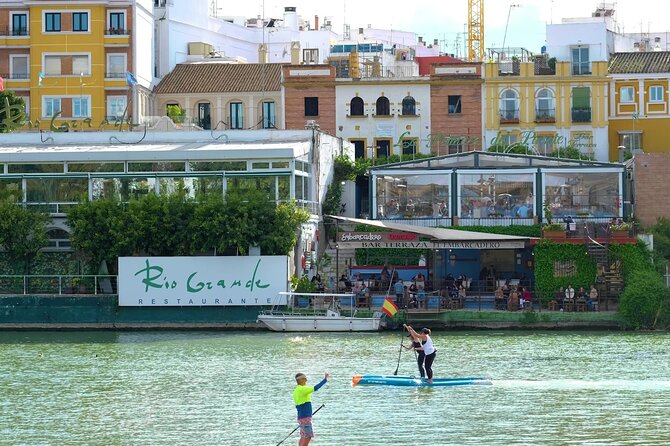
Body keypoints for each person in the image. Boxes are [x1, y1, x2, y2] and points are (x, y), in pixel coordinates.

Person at [293, 371, 329, 446]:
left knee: (303, 436)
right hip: (305, 417)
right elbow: (315, 388)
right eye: (305, 379)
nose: (306, 380)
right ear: (301, 380)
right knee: (308, 436)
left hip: (301, 417)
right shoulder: (302, 389)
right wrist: (325, 380)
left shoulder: (296, 390)